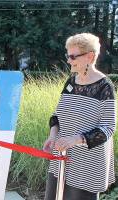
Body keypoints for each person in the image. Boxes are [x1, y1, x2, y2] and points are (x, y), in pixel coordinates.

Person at [43, 33, 116, 200]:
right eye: (67, 55)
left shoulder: (105, 87)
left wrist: (76, 139)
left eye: (73, 56)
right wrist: (53, 135)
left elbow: (108, 128)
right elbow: (57, 115)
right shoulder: (71, 82)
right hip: (61, 159)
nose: (68, 60)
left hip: (87, 166)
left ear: (90, 56)